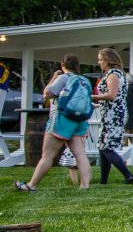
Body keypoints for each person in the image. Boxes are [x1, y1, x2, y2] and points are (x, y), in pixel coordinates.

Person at [15, 54, 92, 191]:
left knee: (47, 155)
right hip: (80, 121)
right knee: (80, 154)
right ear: (77, 66)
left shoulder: (63, 78)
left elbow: (47, 94)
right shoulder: (84, 80)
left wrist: (54, 78)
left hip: (62, 119)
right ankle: (84, 185)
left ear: (63, 65)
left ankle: (31, 185)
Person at [93, 48, 133, 185]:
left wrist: (93, 97)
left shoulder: (113, 74)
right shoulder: (118, 74)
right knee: (103, 146)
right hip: (111, 112)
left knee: (106, 147)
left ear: (108, 61)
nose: (99, 62)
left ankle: (128, 175)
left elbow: (111, 95)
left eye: (101, 59)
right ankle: (103, 180)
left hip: (113, 114)